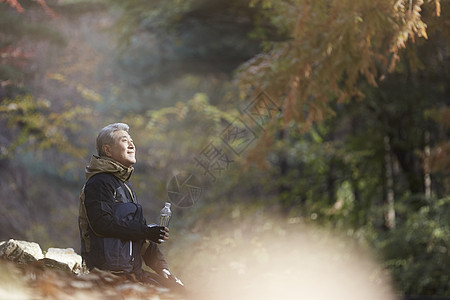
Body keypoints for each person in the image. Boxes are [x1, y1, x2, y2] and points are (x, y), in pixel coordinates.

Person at [78, 123, 184, 290]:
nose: (132, 145)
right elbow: (101, 224)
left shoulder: (124, 186)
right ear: (107, 150)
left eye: (132, 141)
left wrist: (162, 267)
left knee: (180, 290)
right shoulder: (99, 183)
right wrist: (146, 231)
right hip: (109, 276)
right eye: (124, 140)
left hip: (132, 273)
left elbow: (139, 236)